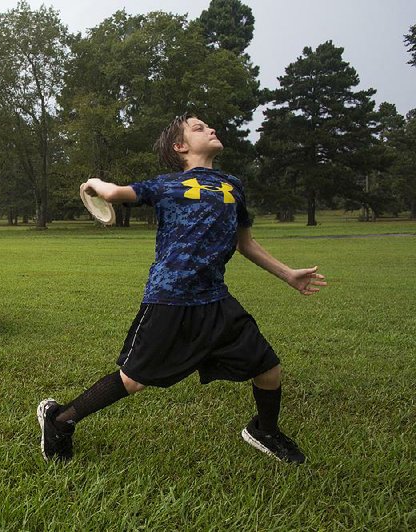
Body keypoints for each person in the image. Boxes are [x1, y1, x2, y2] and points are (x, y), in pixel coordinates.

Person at [37, 113, 326, 464]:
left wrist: (288, 275)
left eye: (209, 124)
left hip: (216, 299)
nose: (211, 128)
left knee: (267, 368)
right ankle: (60, 420)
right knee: (133, 379)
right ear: (181, 146)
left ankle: (264, 429)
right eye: (199, 128)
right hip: (170, 297)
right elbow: (113, 193)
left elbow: (245, 243)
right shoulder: (168, 185)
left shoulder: (233, 186)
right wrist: (91, 183)